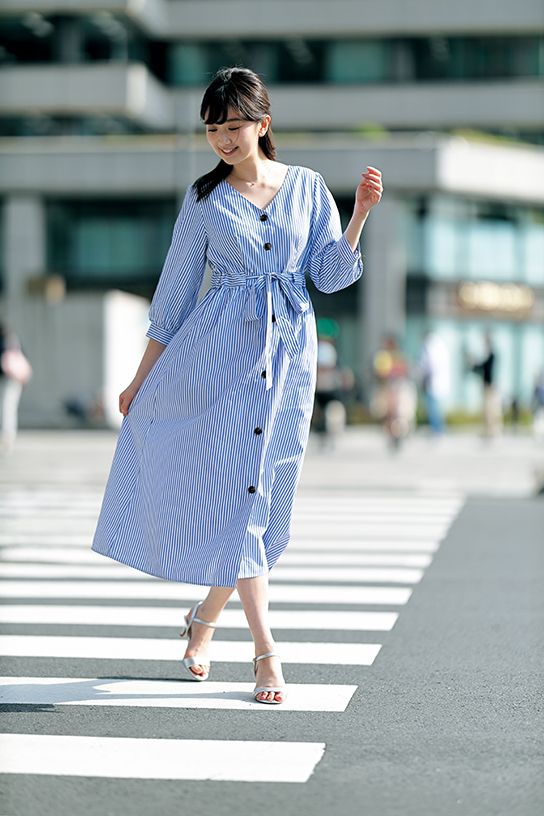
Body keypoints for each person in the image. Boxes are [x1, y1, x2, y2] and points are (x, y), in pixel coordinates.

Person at [92, 67, 382, 704]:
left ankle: (203, 621)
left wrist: (356, 216)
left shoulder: (306, 188)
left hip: (287, 362)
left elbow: (329, 275)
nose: (223, 139)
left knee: (255, 497)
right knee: (239, 496)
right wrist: (139, 381)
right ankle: (266, 653)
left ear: (263, 124)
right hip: (214, 364)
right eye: (213, 129)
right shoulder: (203, 200)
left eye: (234, 126)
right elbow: (172, 297)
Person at [0, 323, 32, 452]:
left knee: (7, 408)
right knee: (8, 408)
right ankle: (7, 435)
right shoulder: (13, 340)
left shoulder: (5, 341)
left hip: (9, 380)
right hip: (15, 380)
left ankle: (7, 435)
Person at [469, 332, 502, 438]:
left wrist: (475, 365)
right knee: (487, 411)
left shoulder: (492, 355)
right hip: (487, 385)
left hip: (490, 386)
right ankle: (488, 431)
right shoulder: (489, 355)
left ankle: (493, 432)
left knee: (491, 410)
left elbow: (486, 369)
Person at [417, 331, 451, 435]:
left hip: (433, 382)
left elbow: (428, 365)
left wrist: (421, 375)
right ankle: (437, 430)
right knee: (434, 408)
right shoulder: (438, 345)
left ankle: (438, 430)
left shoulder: (431, 347)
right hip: (434, 383)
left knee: (434, 409)